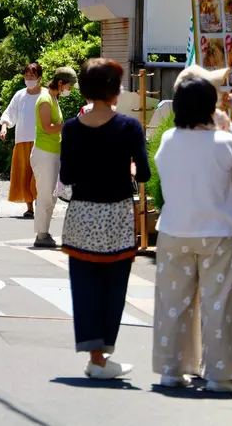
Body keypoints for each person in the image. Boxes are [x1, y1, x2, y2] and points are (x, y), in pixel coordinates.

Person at [152, 76, 232, 393]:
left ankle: (171, 370)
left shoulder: (167, 139)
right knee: (217, 304)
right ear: (211, 107)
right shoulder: (226, 142)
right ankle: (220, 376)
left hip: (173, 231)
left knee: (172, 303)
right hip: (218, 233)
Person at [59, 59, 149, 380]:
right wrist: (127, 168)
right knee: (114, 286)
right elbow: (145, 172)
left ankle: (95, 357)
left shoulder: (71, 128)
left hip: (81, 214)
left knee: (84, 285)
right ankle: (102, 357)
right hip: (116, 215)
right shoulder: (130, 127)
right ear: (113, 89)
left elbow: (67, 175)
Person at [30, 66, 78, 248]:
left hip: (52, 152)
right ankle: (41, 234)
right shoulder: (45, 100)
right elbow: (47, 127)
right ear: (60, 83)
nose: (70, 89)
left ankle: (44, 233)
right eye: (69, 86)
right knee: (45, 194)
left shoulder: (53, 98)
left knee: (51, 195)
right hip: (44, 153)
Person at [0, 63, 43, 218]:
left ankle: (41, 203)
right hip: (23, 140)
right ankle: (29, 207)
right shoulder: (19, 95)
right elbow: (10, 113)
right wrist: (4, 127)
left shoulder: (46, 95)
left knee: (39, 175)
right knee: (24, 174)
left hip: (42, 142)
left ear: (39, 78)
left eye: (32, 76)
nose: (29, 79)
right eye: (26, 76)